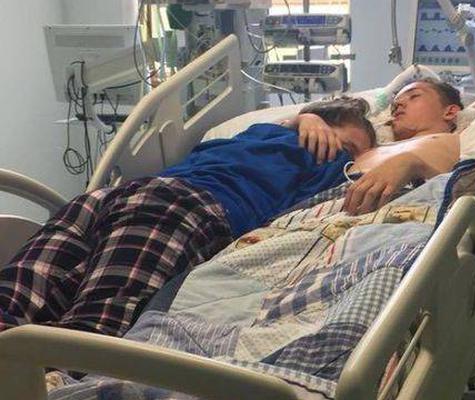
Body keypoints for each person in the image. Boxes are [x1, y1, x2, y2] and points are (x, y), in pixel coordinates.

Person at [0, 97, 376, 337]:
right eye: (348, 144)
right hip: (173, 203)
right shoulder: (283, 138)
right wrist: (307, 117)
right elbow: (297, 124)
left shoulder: (299, 150)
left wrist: (310, 119)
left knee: (44, 306)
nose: (348, 155)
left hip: (135, 199)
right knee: (87, 323)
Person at [291, 78, 464, 216]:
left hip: (394, 205)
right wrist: (305, 119)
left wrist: (411, 163)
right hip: (315, 205)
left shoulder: (457, 139)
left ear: (450, 112)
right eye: (395, 104)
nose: (398, 105)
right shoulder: (368, 145)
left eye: (414, 96)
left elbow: (459, 185)